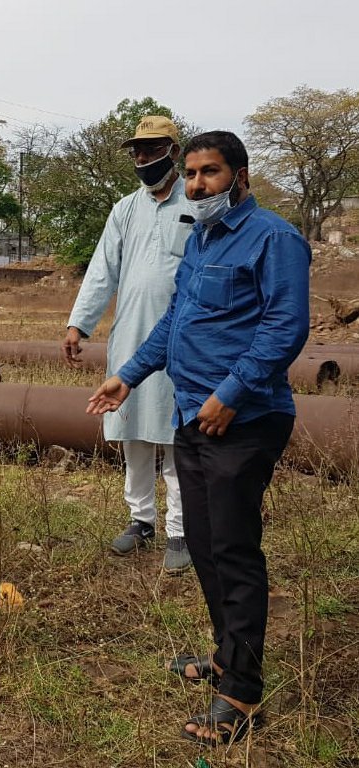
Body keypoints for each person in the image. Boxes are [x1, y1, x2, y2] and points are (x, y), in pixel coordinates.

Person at [87, 131, 311, 744]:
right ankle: (224, 656)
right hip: (192, 413)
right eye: (189, 175)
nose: (195, 185)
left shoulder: (275, 238)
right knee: (207, 546)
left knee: (234, 550)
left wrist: (231, 393)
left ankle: (240, 695)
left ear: (239, 176)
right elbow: (174, 322)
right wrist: (127, 377)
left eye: (209, 173)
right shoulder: (201, 237)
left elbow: (286, 326)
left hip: (244, 419)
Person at [63, 115, 191, 573]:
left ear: (173, 151)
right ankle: (141, 520)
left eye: (152, 149)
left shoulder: (196, 203)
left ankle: (181, 529)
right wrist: (80, 323)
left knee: (176, 435)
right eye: (137, 150)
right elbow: (103, 270)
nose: (142, 158)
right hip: (131, 336)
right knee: (133, 429)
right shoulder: (125, 209)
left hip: (182, 338)